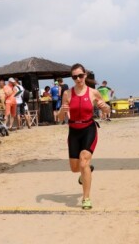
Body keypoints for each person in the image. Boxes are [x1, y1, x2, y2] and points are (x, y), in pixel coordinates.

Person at [58, 63, 110, 210]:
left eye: (80, 76)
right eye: (75, 77)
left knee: (84, 162)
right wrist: (62, 111)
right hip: (74, 131)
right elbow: (60, 117)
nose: (78, 79)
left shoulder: (93, 92)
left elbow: (107, 110)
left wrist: (105, 107)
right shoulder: (67, 94)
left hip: (89, 129)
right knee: (75, 168)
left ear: (85, 75)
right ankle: (85, 173)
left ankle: (86, 198)